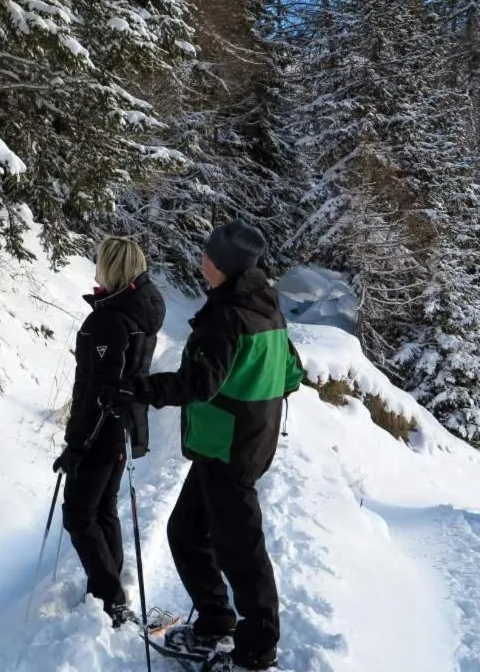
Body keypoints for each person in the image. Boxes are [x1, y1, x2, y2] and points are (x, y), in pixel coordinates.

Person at [136, 219, 304, 671]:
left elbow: (199, 383)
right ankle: (214, 623)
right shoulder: (265, 305)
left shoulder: (227, 314)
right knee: (187, 533)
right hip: (241, 442)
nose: (201, 262)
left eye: (207, 257)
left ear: (224, 266)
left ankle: (255, 653)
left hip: (230, 448)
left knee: (241, 551)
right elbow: (293, 374)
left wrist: (144, 389)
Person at [52, 235, 165, 628]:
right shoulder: (137, 309)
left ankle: (109, 598)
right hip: (121, 426)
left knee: (79, 515)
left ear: (111, 267)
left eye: (100, 261)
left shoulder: (111, 319)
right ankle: (108, 588)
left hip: (102, 429)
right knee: (101, 509)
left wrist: (76, 445)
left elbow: (99, 391)